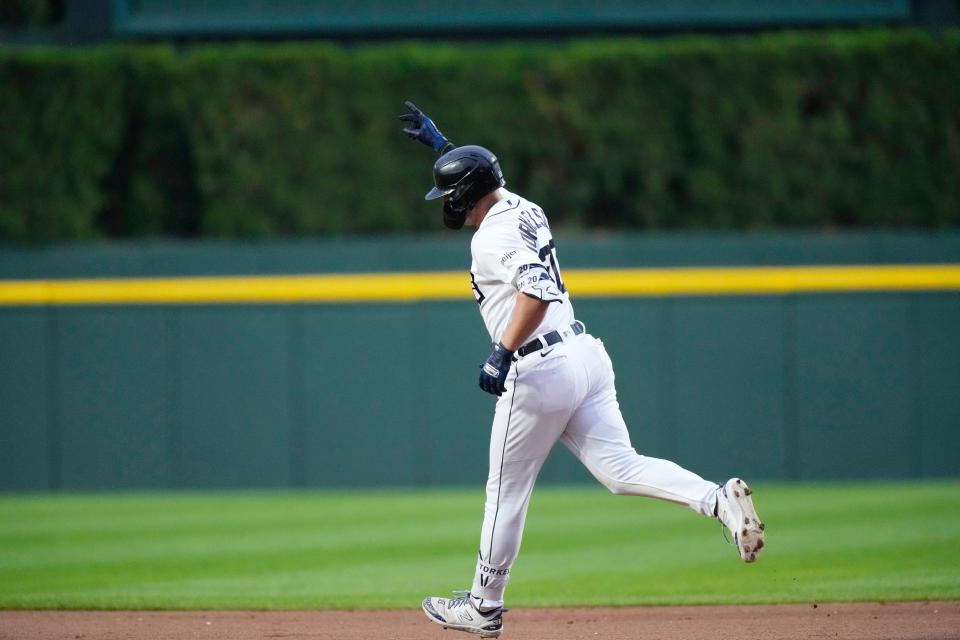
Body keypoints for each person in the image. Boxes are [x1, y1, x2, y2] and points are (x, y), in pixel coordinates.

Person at [399, 101, 765, 638]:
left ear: (462, 196)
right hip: (584, 356)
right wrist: (443, 146)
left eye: (449, 192)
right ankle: (716, 500)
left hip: (538, 368)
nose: (446, 203)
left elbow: (538, 292)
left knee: (505, 493)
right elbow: (486, 186)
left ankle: (483, 605)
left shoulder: (489, 237)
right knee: (621, 469)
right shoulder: (523, 206)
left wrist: (501, 351)